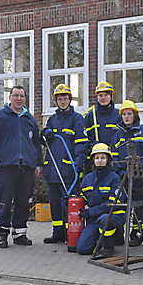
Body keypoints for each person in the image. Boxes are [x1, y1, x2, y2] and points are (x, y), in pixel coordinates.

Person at [0, 85, 42, 248]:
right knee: (4, 201)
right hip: (7, 166)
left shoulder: (29, 119)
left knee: (24, 201)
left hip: (27, 167)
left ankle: (20, 234)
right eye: (16, 95)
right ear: (10, 97)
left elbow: (36, 143)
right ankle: (2, 233)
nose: (19, 98)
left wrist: (37, 163)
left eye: (22, 96)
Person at [41, 84, 88, 244]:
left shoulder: (77, 119)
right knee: (54, 203)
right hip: (53, 171)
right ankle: (58, 232)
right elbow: (44, 142)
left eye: (65, 98)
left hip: (69, 171)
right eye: (60, 99)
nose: (62, 101)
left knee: (67, 204)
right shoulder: (52, 120)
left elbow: (82, 144)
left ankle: (71, 233)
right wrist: (44, 134)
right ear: (56, 101)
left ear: (69, 99)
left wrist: (78, 163)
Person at [76, 143, 125, 258]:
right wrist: (74, 201)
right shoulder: (88, 178)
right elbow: (83, 197)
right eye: (97, 158)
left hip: (112, 215)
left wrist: (90, 212)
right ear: (93, 160)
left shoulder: (114, 178)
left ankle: (108, 247)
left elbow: (112, 204)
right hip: (94, 220)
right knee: (82, 249)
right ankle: (99, 238)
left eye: (103, 158)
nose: (100, 161)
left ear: (108, 160)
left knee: (104, 219)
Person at [111, 100, 143, 246]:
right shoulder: (117, 134)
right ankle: (119, 234)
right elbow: (113, 155)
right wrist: (119, 171)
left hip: (139, 176)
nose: (127, 117)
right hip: (122, 176)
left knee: (139, 206)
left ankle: (138, 233)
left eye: (129, 114)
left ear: (135, 115)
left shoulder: (142, 131)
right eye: (124, 114)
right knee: (121, 205)